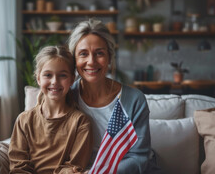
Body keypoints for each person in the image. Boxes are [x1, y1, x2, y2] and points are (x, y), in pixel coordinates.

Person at [67, 19, 160, 174]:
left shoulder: (135, 100)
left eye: (99, 53)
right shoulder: (67, 97)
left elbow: (138, 157)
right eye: (83, 54)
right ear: (74, 60)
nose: (91, 61)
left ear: (110, 58)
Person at [8, 45, 93, 174]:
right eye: (48, 75)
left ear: (72, 79)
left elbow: (74, 167)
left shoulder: (81, 122)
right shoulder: (24, 120)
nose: (54, 81)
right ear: (38, 78)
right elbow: (18, 167)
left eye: (62, 75)